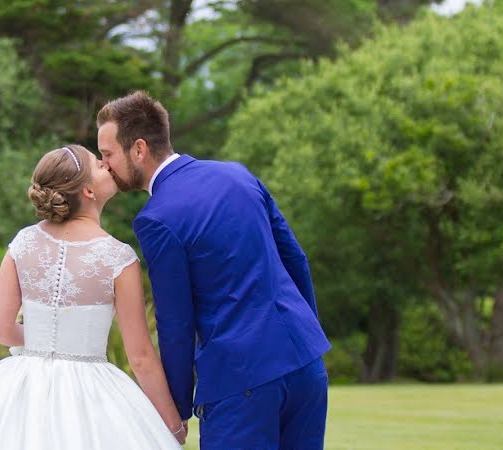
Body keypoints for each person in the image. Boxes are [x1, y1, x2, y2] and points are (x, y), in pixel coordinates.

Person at [96, 91, 332, 449]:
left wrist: (175, 408)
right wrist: (304, 339)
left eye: (108, 154)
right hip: (306, 366)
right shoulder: (238, 175)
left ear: (139, 149)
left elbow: (176, 322)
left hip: (241, 382)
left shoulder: (156, 218)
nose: (105, 164)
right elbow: (295, 258)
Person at [0, 144, 184, 449]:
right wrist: (172, 424)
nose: (106, 165)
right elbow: (141, 358)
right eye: (97, 163)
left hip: (21, 383)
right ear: (89, 191)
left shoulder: (23, 243)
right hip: (92, 389)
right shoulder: (118, 257)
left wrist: (43, 337)